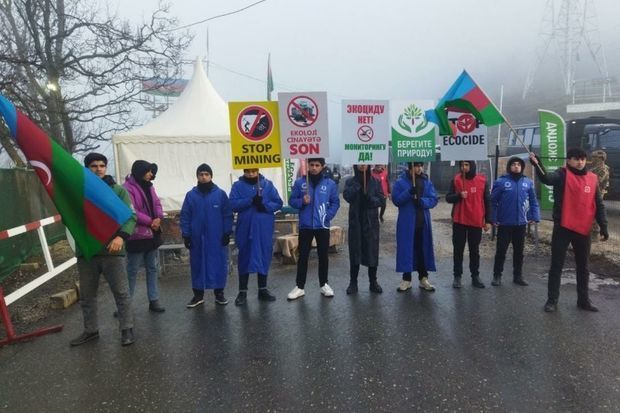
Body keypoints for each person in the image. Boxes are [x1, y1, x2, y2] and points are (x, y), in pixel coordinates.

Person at [70, 153, 137, 347]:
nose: (98, 169)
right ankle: (90, 330)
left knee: (121, 293)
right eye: (93, 165)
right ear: (87, 168)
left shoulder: (118, 191)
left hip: (112, 251)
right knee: (87, 296)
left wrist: (121, 237)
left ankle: (127, 329)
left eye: (102, 165)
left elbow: (130, 217)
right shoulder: (79, 191)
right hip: (88, 252)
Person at [530, 148, 609, 312]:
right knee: (556, 265)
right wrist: (537, 164)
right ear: (568, 160)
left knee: (583, 267)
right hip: (563, 227)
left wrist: (604, 226)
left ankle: (583, 300)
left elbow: (599, 204)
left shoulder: (592, 178)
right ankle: (552, 300)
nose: (580, 162)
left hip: (583, 229)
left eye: (582, 159)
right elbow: (546, 179)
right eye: (576, 159)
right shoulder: (561, 175)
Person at [180, 164, 233, 308]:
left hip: (216, 237)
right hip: (197, 238)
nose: (204, 177)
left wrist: (227, 232)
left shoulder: (220, 194)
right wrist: (186, 235)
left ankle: (219, 293)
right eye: (201, 174)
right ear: (197, 176)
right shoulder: (191, 196)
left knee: (218, 264)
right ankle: (198, 295)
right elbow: (185, 216)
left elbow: (227, 214)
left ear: (211, 176)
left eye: (206, 174)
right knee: (197, 265)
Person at [287, 157, 340, 300]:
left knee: (323, 255)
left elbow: (335, 202)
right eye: (312, 165)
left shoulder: (329, 183)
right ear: (308, 166)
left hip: (322, 225)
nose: (314, 168)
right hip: (305, 225)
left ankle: (324, 284)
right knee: (303, 256)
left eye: (317, 165)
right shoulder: (300, 183)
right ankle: (300, 287)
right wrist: (301, 201)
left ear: (323, 166)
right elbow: (292, 201)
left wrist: (327, 216)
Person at [229, 168, 283, 306]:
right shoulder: (237, 186)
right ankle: (242, 291)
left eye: (253, 171)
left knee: (264, 255)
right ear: (244, 171)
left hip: (264, 228)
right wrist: (250, 200)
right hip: (245, 228)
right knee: (244, 257)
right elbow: (232, 204)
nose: (251, 174)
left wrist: (264, 205)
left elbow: (278, 203)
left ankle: (262, 289)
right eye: (248, 171)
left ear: (258, 170)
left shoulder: (268, 185)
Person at [123, 160, 165, 313]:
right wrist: (150, 222)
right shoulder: (127, 188)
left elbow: (157, 203)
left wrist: (158, 217)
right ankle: (125, 304)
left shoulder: (150, 186)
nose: (151, 174)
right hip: (137, 235)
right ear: (140, 172)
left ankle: (154, 300)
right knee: (132, 270)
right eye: (148, 171)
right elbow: (131, 210)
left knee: (152, 268)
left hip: (152, 234)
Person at [491, 156, 540, 287]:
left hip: (521, 224)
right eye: (513, 164)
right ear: (509, 167)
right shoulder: (501, 182)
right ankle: (497, 275)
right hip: (505, 223)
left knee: (519, 252)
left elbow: (533, 201)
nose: (516, 166)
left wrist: (534, 216)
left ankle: (518, 276)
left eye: (519, 164)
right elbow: (493, 201)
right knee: (501, 251)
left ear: (522, 167)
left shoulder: (528, 182)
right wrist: (493, 218)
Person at [392, 162, 439, 292]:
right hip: (407, 222)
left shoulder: (426, 181)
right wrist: (409, 193)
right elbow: (396, 200)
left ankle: (423, 278)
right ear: (410, 168)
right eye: (416, 166)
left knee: (422, 249)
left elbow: (433, 199)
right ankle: (406, 279)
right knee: (407, 249)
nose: (419, 168)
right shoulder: (400, 182)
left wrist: (421, 202)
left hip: (422, 222)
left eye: (420, 166)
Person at [446, 160, 492, 289]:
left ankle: (475, 276)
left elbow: (487, 201)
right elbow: (448, 198)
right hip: (459, 220)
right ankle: (457, 276)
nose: (464, 167)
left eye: (466, 165)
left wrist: (488, 220)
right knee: (458, 250)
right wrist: (459, 196)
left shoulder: (482, 180)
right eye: (462, 165)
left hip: (476, 220)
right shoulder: (456, 180)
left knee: (474, 250)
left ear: (472, 166)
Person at [342, 164, 383, 294]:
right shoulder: (350, 181)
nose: (362, 165)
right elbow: (347, 196)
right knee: (355, 252)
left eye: (365, 163)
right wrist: (357, 187)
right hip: (356, 222)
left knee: (372, 251)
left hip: (371, 223)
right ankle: (353, 282)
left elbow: (381, 200)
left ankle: (373, 282)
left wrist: (370, 199)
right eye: (360, 163)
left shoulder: (375, 181)